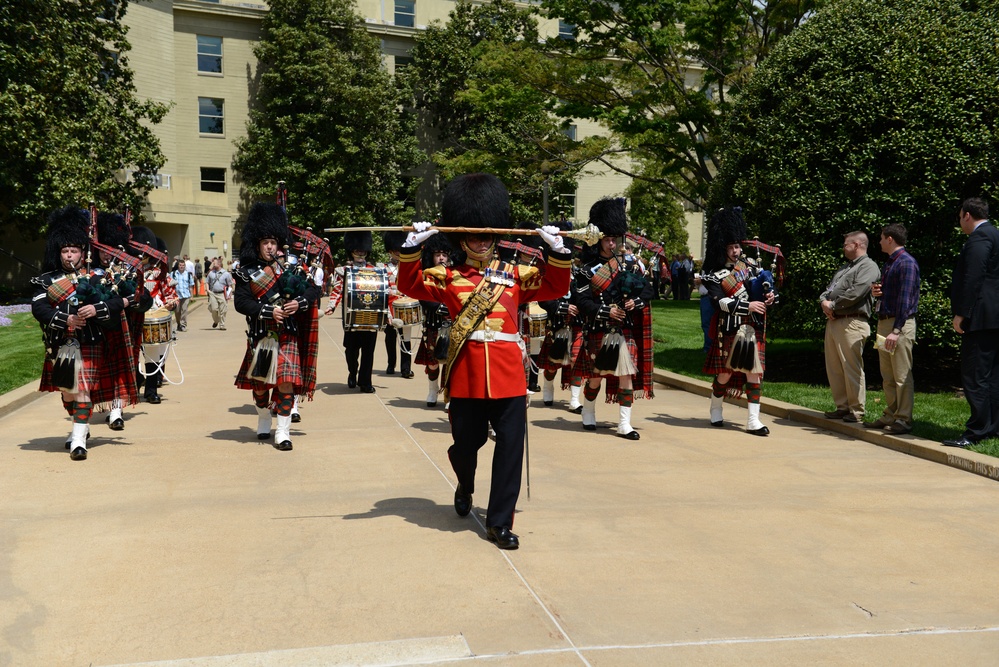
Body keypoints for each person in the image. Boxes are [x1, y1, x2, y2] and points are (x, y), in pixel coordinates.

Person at [397, 173, 572, 550]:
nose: (481, 240)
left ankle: (498, 523)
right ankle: (465, 480)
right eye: (474, 235)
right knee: (466, 445)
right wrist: (411, 250)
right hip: (467, 376)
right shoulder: (449, 277)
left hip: (509, 376)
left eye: (486, 233)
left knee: (511, 447)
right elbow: (410, 287)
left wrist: (558, 252)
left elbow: (556, 287)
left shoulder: (514, 275)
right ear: (462, 238)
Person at [30, 207, 133, 461]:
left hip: (91, 341)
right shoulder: (48, 280)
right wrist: (68, 319)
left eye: (73, 250)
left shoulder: (99, 277)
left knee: (83, 389)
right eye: (64, 251)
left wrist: (96, 308)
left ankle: (78, 440)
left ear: (83, 252)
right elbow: (39, 308)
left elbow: (119, 301)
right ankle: (82, 426)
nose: (68, 256)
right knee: (68, 392)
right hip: (60, 342)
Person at [233, 203, 321, 451]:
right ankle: (263, 416)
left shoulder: (292, 268)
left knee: (285, 383)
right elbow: (241, 303)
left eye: (273, 241)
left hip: (288, 334)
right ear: (257, 245)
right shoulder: (246, 272)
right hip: (262, 336)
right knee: (261, 387)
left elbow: (314, 289)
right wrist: (268, 310)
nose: (270, 246)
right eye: (265, 242)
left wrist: (299, 303)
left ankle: (282, 432)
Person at [573, 198, 655, 440]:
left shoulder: (629, 265)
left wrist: (635, 302)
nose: (612, 243)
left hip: (625, 329)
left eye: (614, 239)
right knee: (596, 376)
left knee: (626, 374)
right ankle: (588, 411)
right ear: (598, 240)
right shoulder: (585, 271)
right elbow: (583, 302)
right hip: (600, 327)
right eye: (607, 239)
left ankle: (624, 425)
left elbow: (648, 290)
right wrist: (605, 311)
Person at [700, 207, 775, 436]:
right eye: (732, 247)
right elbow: (719, 303)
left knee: (754, 371)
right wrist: (747, 306)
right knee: (726, 374)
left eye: (737, 246)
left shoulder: (751, 266)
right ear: (722, 249)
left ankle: (753, 420)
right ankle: (715, 405)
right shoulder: (713, 276)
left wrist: (770, 296)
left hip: (753, 327)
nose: (736, 250)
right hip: (730, 328)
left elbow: (764, 289)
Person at [944, 197, 999, 448]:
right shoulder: (995, 234)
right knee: (993, 375)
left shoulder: (980, 238)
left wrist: (962, 313)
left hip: (980, 318)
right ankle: (992, 427)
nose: (960, 223)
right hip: (994, 318)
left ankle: (976, 431)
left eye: (960, 218)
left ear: (967, 215)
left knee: (976, 375)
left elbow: (973, 276)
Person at [819, 230, 880, 423]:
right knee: (835, 367)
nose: (843, 247)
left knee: (851, 367)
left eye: (846, 244)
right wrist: (823, 302)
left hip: (852, 321)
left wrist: (833, 305)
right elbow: (829, 290)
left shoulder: (869, 267)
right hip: (835, 321)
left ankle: (856, 410)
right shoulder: (845, 268)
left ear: (857, 245)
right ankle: (842, 406)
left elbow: (857, 293)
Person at [865, 223, 920, 434]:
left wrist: (896, 331)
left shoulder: (906, 263)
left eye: (881, 238)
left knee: (901, 374)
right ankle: (890, 414)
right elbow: (895, 294)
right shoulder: (890, 263)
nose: (878, 242)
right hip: (884, 322)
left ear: (890, 239)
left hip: (900, 324)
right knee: (887, 375)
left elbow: (906, 300)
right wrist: (880, 292)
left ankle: (903, 419)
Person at [327, 225, 381, 393]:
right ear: (351, 251)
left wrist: (390, 315)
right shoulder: (344, 271)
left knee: (369, 351)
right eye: (357, 251)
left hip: (371, 315)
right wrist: (331, 306)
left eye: (363, 251)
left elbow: (384, 293)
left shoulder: (376, 270)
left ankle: (365, 382)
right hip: (351, 315)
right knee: (351, 350)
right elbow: (337, 290)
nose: (360, 254)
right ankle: (352, 372)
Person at [413, 233, 453, 407]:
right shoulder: (425, 274)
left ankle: (449, 396)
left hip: (453, 323)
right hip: (433, 323)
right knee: (433, 363)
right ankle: (432, 390)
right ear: (432, 256)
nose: (442, 257)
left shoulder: (456, 274)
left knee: (452, 362)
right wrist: (436, 307)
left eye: (444, 254)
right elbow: (422, 295)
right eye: (438, 254)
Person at [382, 230, 415, 379]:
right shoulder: (383, 268)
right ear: (391, 251)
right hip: (389, 307)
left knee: (405, 338)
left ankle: (406, 368)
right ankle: (391, 364)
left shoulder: (407, 266)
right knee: (390, 338)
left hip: (404, 305)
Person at [206, 258, 233, 330]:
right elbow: (207, 282)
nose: (212, 264)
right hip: (213, 293)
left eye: (214, 263)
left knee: (223, 310)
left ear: (219, 264)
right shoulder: (211, 273)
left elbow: (229, 284)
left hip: (222, 294)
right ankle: (216, 321)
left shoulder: (226, 274)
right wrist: (208, 290)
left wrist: (229, 294)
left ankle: (222, 325)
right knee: (214, 309)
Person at [170, 259, 194, 331]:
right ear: (178, 266)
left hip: (186, 295)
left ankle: (183, 325)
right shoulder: (173, 274)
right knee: (177, 311)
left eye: (183, 265)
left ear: (185, 266)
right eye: (180, 265)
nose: (181, 267)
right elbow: (169, 284)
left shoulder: (188, 275)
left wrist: (192, 296)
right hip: (176, 296)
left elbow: (191, 286)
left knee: (184, 310)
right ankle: (178, 324)